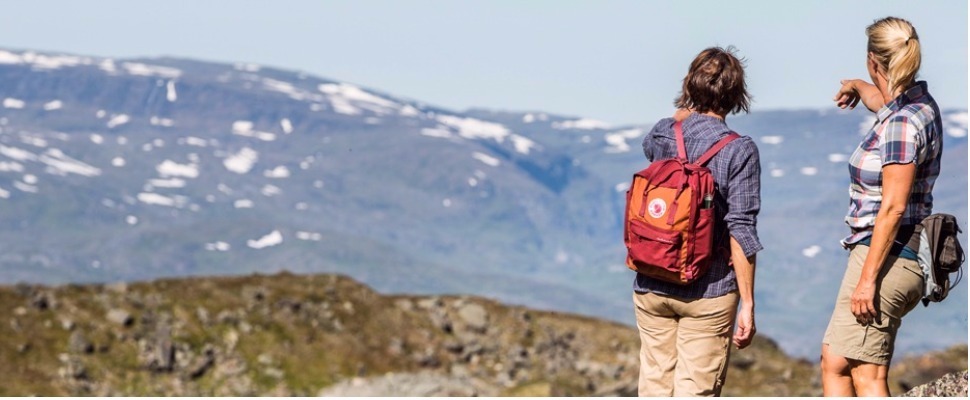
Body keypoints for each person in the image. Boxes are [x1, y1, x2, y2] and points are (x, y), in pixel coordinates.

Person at [820, 16, 943, 396]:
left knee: (864, 372)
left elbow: (892, 206)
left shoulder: (902, 125)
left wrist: (867, 280)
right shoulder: (917, 104)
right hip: (898, 248)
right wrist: (859, 85)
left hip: (887, 251)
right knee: (838, 361)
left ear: (874, 60)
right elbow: (885, 103)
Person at [634, 46, 762, 397]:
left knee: (654, 385)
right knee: (696, 391)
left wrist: (687, 108)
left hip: (652, 280)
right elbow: (741, 228)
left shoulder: (663, 133)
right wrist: (748, 304)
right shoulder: (740, 149)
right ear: (736, 94)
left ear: (690, 85)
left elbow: (652, 146)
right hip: (710, 289)